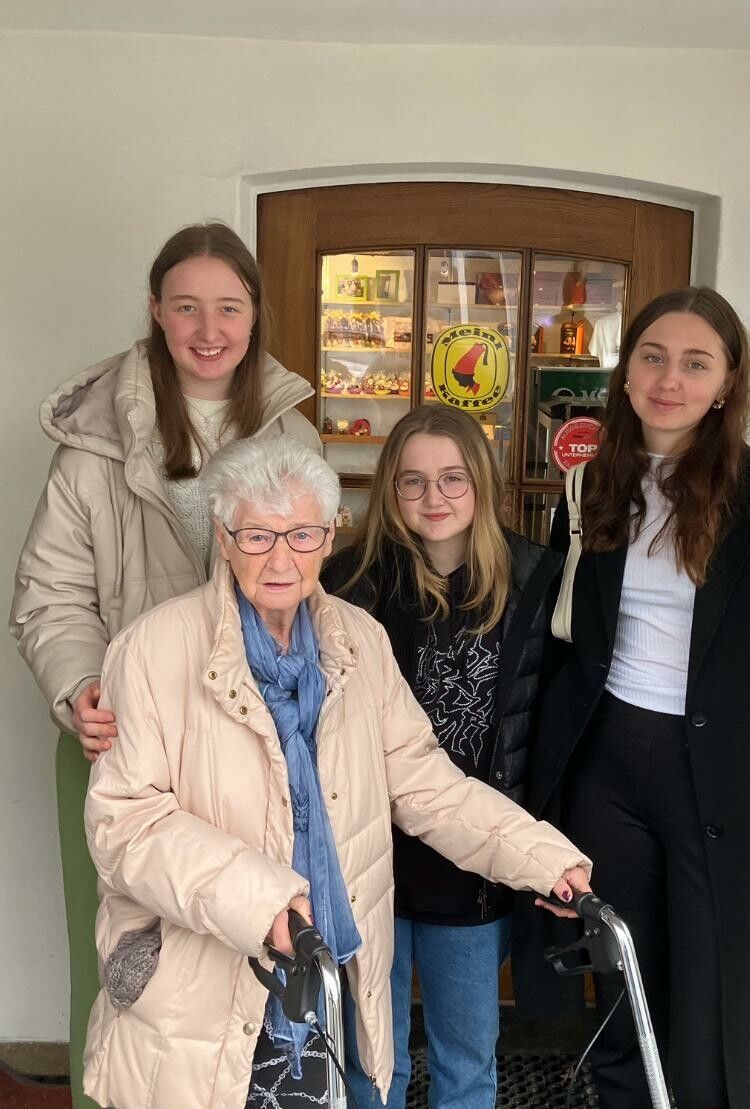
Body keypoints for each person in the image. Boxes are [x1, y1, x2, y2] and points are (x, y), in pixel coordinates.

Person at [81, 434, 591, 1109]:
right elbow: (126, 826)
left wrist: (541, 857)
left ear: (328, 537)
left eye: (301, 534)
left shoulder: (357, 640)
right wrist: (261, 902)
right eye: (258, 535)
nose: (282, 557)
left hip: (327, 968)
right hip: (203, 981)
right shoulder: (151, 650)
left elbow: (423, 782)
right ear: (224, 539)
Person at [8, 222, 319, 1109]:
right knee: (125, 968)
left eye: (228, 306)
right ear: (155, 310)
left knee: (236, 971)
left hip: (250, 746)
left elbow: (310, 587)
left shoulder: (288, 429)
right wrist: (78, 684)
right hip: (124, 743)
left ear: (254, 316)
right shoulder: (94, 443)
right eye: (186, 306)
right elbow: (51, 591)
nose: (208, 327)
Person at [528, 287, 750, 1109]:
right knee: (622, 978)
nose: (669, 379)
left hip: (712, 772)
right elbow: (565, 630)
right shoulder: (592, 485)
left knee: (707, 987)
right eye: (653, 357)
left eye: (697, 363)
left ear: (726, 384)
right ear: (626, 375)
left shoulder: (746, 494)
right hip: (608, 763)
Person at [321, 404, 565, 1109]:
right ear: (389, 491)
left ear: (484, 484)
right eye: (413, 481)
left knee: (467, 1058)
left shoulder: (536, 580)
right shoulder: (348, 582)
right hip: (371, 862)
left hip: (476, 870)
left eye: (453, 478)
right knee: (373, 1062)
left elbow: (545, 724)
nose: (434, 498)